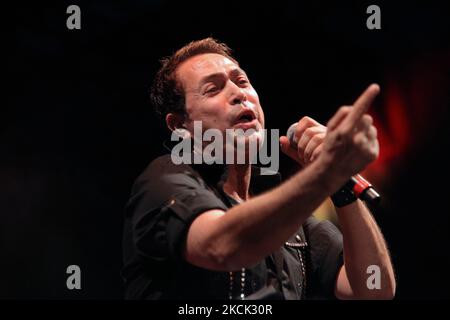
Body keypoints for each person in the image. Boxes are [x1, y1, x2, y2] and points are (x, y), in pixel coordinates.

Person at [121, 38, 396, 300]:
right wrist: (324, 174)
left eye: (242, 81)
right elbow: (222, 246)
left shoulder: (291, 221)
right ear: (179, 125)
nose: (239, 93)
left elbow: (373, 290)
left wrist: (340, 187)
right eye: (213, 89)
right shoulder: (164, 180)